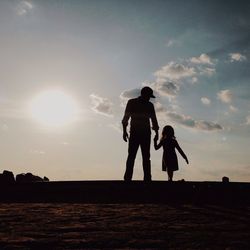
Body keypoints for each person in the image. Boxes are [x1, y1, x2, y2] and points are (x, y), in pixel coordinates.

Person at [122, 86, 159, 181]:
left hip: (145, 133)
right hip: (136, 133)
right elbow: (126, 118)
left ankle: (147, 178)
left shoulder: (149, 105)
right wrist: (124, 131)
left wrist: (157, 133)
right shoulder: (132, 102)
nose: (149, 98)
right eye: (148, 96)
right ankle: (128, 178)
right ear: (144, 94)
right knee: (132, 156)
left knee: (145, 157)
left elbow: (154, 120)